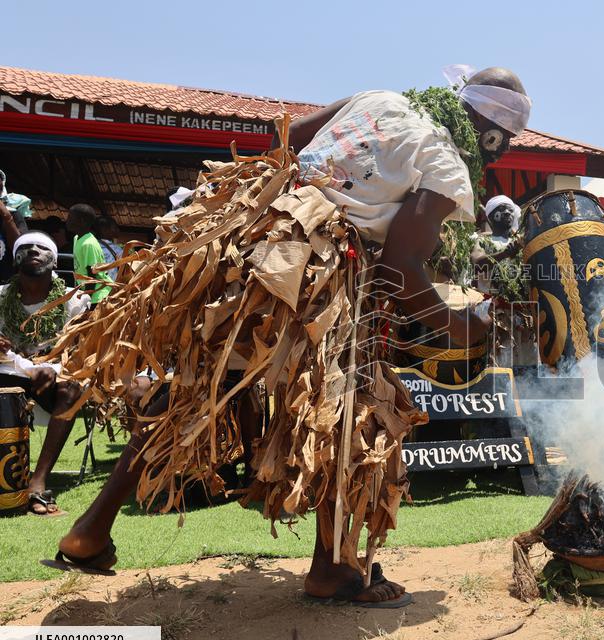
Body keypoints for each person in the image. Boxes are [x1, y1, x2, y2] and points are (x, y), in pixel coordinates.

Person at [52, 66, 530, 608]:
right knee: (349, 411)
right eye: (504, 143)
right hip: (320, 283)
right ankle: (331, 568)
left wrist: (309, 199)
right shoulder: (445, 164)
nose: (499, 152)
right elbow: (403, 262)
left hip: (248, 248)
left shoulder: (381, 98)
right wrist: (462, 325)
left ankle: (90, 529)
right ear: (491, 136)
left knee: (196, 392)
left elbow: (288, 137)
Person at [0, 232, 87, 514]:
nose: (34, 250)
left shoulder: (74, 301)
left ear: (53, 261)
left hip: (53, 381)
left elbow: (82, 354)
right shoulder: (1, 298)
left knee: (72, 389)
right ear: (15, 260)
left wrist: (52, 368)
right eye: (25, 247)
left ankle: (37, 482)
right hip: (7, 374)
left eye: (41, 248)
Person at [66, 204, 113, 304]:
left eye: (70, 217)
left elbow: (92, 275)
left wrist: (86, 299)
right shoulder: (76, 238)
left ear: (82, 221)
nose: (67, 220)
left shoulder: (88, 244)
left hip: (97, 296)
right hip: (87, 293)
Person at [95, 217, 123, 281]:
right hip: (112, 285)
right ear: (105, 230)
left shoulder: (93, 245)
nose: (118, 230)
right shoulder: (117, 249)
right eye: (115, 227)